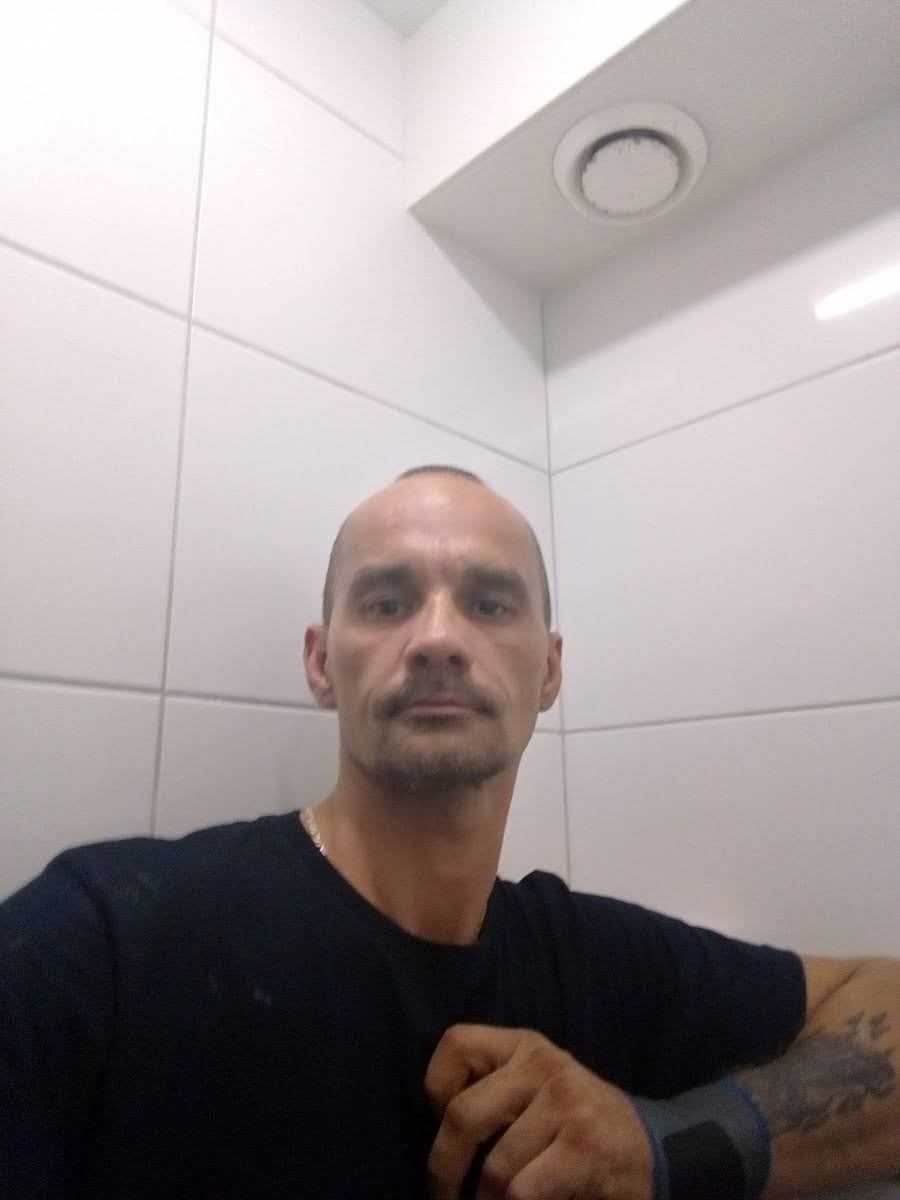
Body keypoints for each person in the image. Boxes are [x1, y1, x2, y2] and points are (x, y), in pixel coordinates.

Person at [1, 464, 897, 1200]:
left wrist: (663, 1149)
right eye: (387, 603)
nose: (437, 638)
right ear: (321, 662)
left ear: (549, 671)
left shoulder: (596, 963)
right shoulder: (99, 942)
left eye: (491, 604)